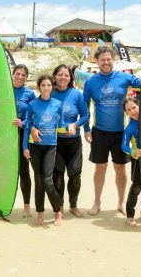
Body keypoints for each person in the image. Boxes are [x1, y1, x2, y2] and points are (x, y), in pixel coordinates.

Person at [83, 46, 141, 216]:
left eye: (109, 59)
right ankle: (97, 201)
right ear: (97, 61)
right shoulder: (90, 82)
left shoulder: (124, 77)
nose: (106, 62)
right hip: (99, 132)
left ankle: (121, 202)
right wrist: (86, 129)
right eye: (103, 60)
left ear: (113, 60)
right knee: (100, 167)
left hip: (120, 132)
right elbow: (85, 107)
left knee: (119, 168)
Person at [48, 64, 89, 218]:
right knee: (57, 175)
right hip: (55, 141)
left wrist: (76, 124)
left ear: (70, 78)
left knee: (75, 175)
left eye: (66, 75)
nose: (63, 78)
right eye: (60, 75)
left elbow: (85, 116)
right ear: (54, 77)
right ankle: (60, 207)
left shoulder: (76, 94)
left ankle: (73, 205)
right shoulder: (49, 93)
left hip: (74, 141)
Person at [23, 75, 64, 226]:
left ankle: (57, 211)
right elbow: (28, 125)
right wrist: (25, 147)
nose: (46, 88)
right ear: (38, 87)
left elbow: (63, 124)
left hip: (51, 146)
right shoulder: (32, 104)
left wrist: (71, 128)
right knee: (38, 180)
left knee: (47, 180)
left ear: (52, 87)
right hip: (35, 147)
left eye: (48, 85)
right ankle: (40, 212)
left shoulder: (58, 104)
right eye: (43, 85)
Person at [120, 97, 141, 227]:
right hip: (138, 161)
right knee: (137, 187)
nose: (132, 111)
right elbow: (123, 146)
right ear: (126, 113)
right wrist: (134, 152)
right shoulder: (130, 127)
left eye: (134, 107)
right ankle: (130, 215)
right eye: (128, 110)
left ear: (139, 106)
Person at [11, 64, 36, 217]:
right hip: (6, 135)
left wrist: (23, 123)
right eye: (17, 74)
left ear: (26, 77)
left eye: (23, 75)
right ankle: (5, 202)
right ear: (12, 74)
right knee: (7, 171)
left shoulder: (30, 94)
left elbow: (34, 117)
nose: (20, 77)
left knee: (24, 171)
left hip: (22, 134)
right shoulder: (6, 89)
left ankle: (26, 205)